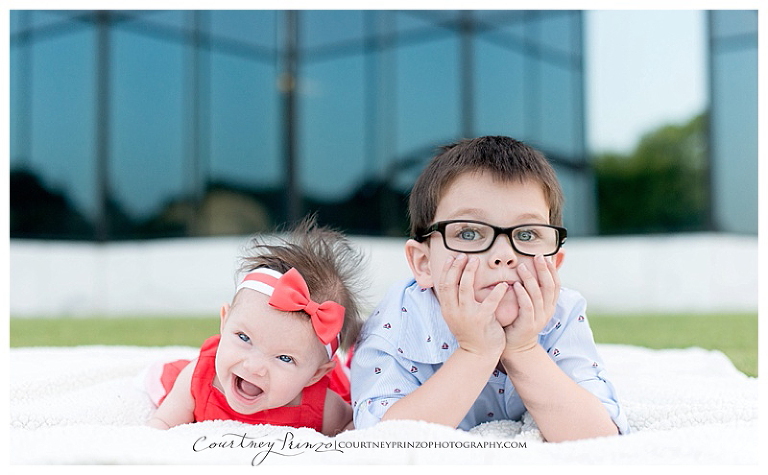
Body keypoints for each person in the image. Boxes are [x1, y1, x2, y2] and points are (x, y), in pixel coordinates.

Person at [351, 136, 628, 442]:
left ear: (554, 263)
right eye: (469, 233)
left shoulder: (562, 312)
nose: (503, 254)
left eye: (526, 234)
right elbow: (382, 440)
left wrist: (522, 349)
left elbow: (598, 436)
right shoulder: (396, 322)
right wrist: (476, 351)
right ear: (424, 264)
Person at [146, 218, 365, 436]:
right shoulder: (198, 379)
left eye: (285, 358)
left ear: (314, 375)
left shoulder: (322, 407)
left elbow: (352, 431)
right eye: (244, 337)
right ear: (225, 320)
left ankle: (357, 347)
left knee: (351, 375)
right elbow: (162, 426)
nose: (254, 367)